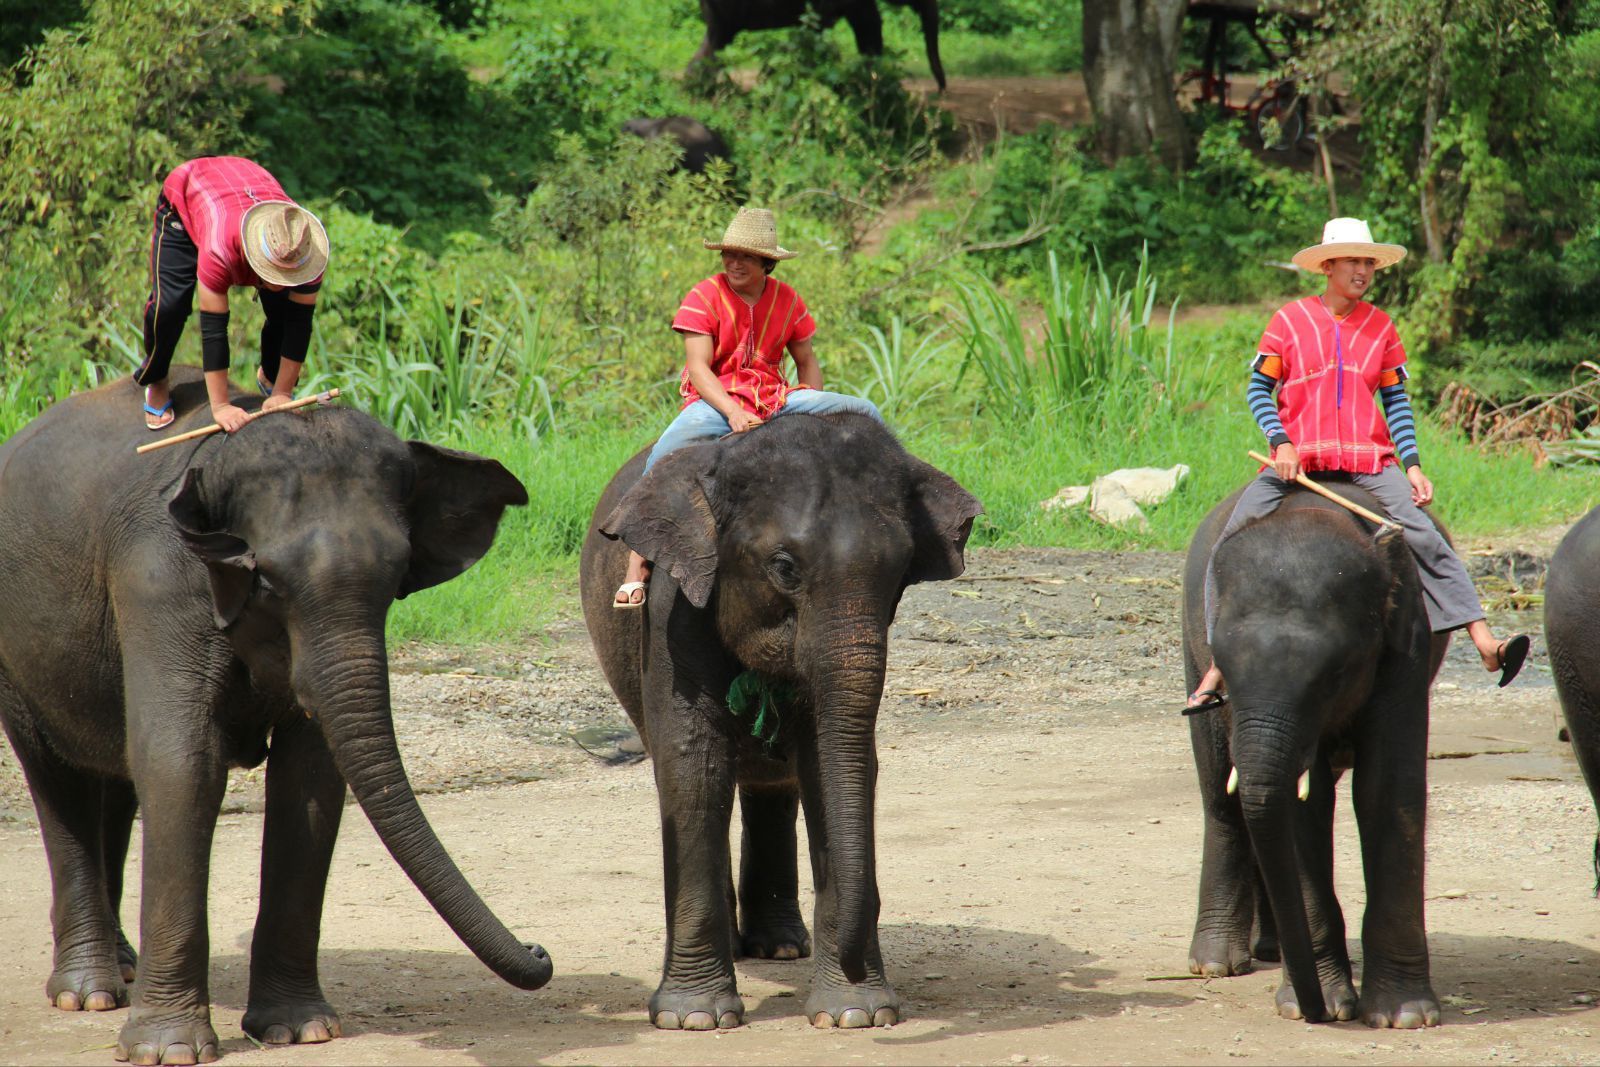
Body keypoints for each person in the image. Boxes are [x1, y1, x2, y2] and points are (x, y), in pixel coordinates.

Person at [1185, 217, 1529, 711]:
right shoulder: (1288, 321)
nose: (1362, 270)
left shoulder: (1381, 327)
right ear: (1328, 266)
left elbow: (1397, 402)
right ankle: (1217, 666)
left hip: (1368, 460)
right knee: (1227, 546)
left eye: (1368, 261)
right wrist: (1280, 443)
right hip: (1297, 461)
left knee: (1424, 533)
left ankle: (1485, 642)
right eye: (1353, 260)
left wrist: (1411, 465)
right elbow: (1259, 389)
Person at [614, 206, 883, 607]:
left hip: (775, 398)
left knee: (865, 413)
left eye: (746, 256)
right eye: (730, 254)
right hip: (716, 400)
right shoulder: (704, 295)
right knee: (663, 455)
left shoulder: (788, 300)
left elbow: (806, 359)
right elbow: (699, 369)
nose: (734, 263)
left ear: (766, 262)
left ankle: (869, 513)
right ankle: (637, 563)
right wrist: (733, 413)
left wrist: (811, 415)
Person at [134, 156, 329, 432]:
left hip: (250, 182)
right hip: (190, 196)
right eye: (276, 274)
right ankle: (156, 377)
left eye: (290, 275)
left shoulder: (304, 246)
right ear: (256, 259)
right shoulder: (219, 248)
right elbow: (214, 329)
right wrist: (221, 406)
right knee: (170, 307)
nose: (284, 281)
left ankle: (272, 376)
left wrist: (282, 394)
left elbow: (299, 323)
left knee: (285, 308)